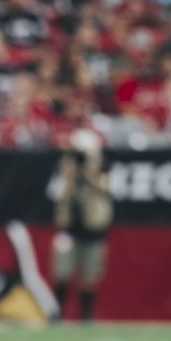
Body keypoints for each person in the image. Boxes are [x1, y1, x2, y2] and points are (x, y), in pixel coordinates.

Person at [51, 128, 113, 322]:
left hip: (93, 228)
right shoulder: (65, 167)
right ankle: (58, 312)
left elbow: (105, 187)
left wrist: (89, 168)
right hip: (68, 228)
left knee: (90, 274)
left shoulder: (102, 167)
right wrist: (69, 171)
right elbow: (56, 193)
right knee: (62, 271)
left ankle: (86, 314)